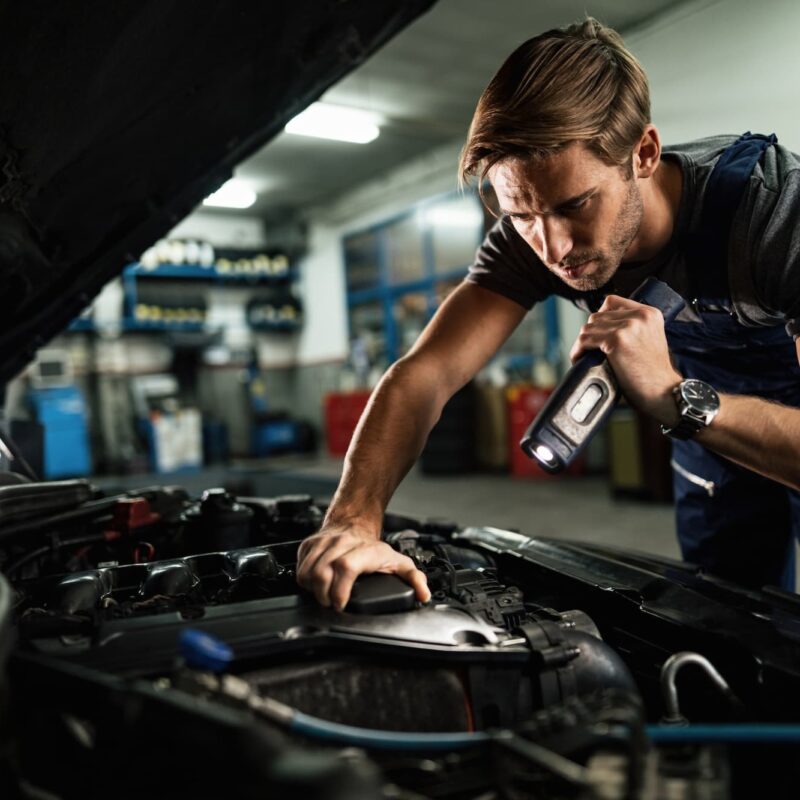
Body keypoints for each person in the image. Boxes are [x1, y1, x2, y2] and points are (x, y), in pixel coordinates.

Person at [296, 17, 800, 609]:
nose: (553, 248)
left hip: (735, 411)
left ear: (644, 152)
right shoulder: (528, 235)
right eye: (522, 215)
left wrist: (672, 393)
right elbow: (424, 374)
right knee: (729, 624)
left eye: (576, 205)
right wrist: (353, 520)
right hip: (707, 442)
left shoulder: (772, 214)